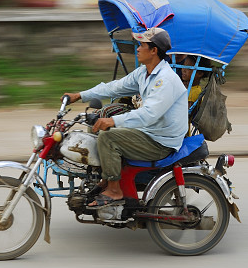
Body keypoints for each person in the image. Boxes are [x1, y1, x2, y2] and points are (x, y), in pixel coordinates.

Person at [61, 27, 187, 219]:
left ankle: (113, 190)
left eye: (141, 45)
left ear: (154, 51)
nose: (138, 49)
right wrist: (80, 95)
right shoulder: (144, 73)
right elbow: (114, 88)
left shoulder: (165, 79)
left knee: (108, 138)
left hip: (161, 141)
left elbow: (149, 115)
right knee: (96, 132)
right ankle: (106, 178)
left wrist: (112, 121)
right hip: (149, 132)